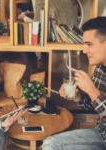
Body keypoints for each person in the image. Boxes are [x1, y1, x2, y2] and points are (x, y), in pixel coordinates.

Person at [42, 16, 106, 150]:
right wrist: (78, 97)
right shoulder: (100, 68)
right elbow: (95, 107)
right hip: (102, 134)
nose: (84, 50)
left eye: (89, 44)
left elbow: (96, 98)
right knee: (51, 144)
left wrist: (92, 91)